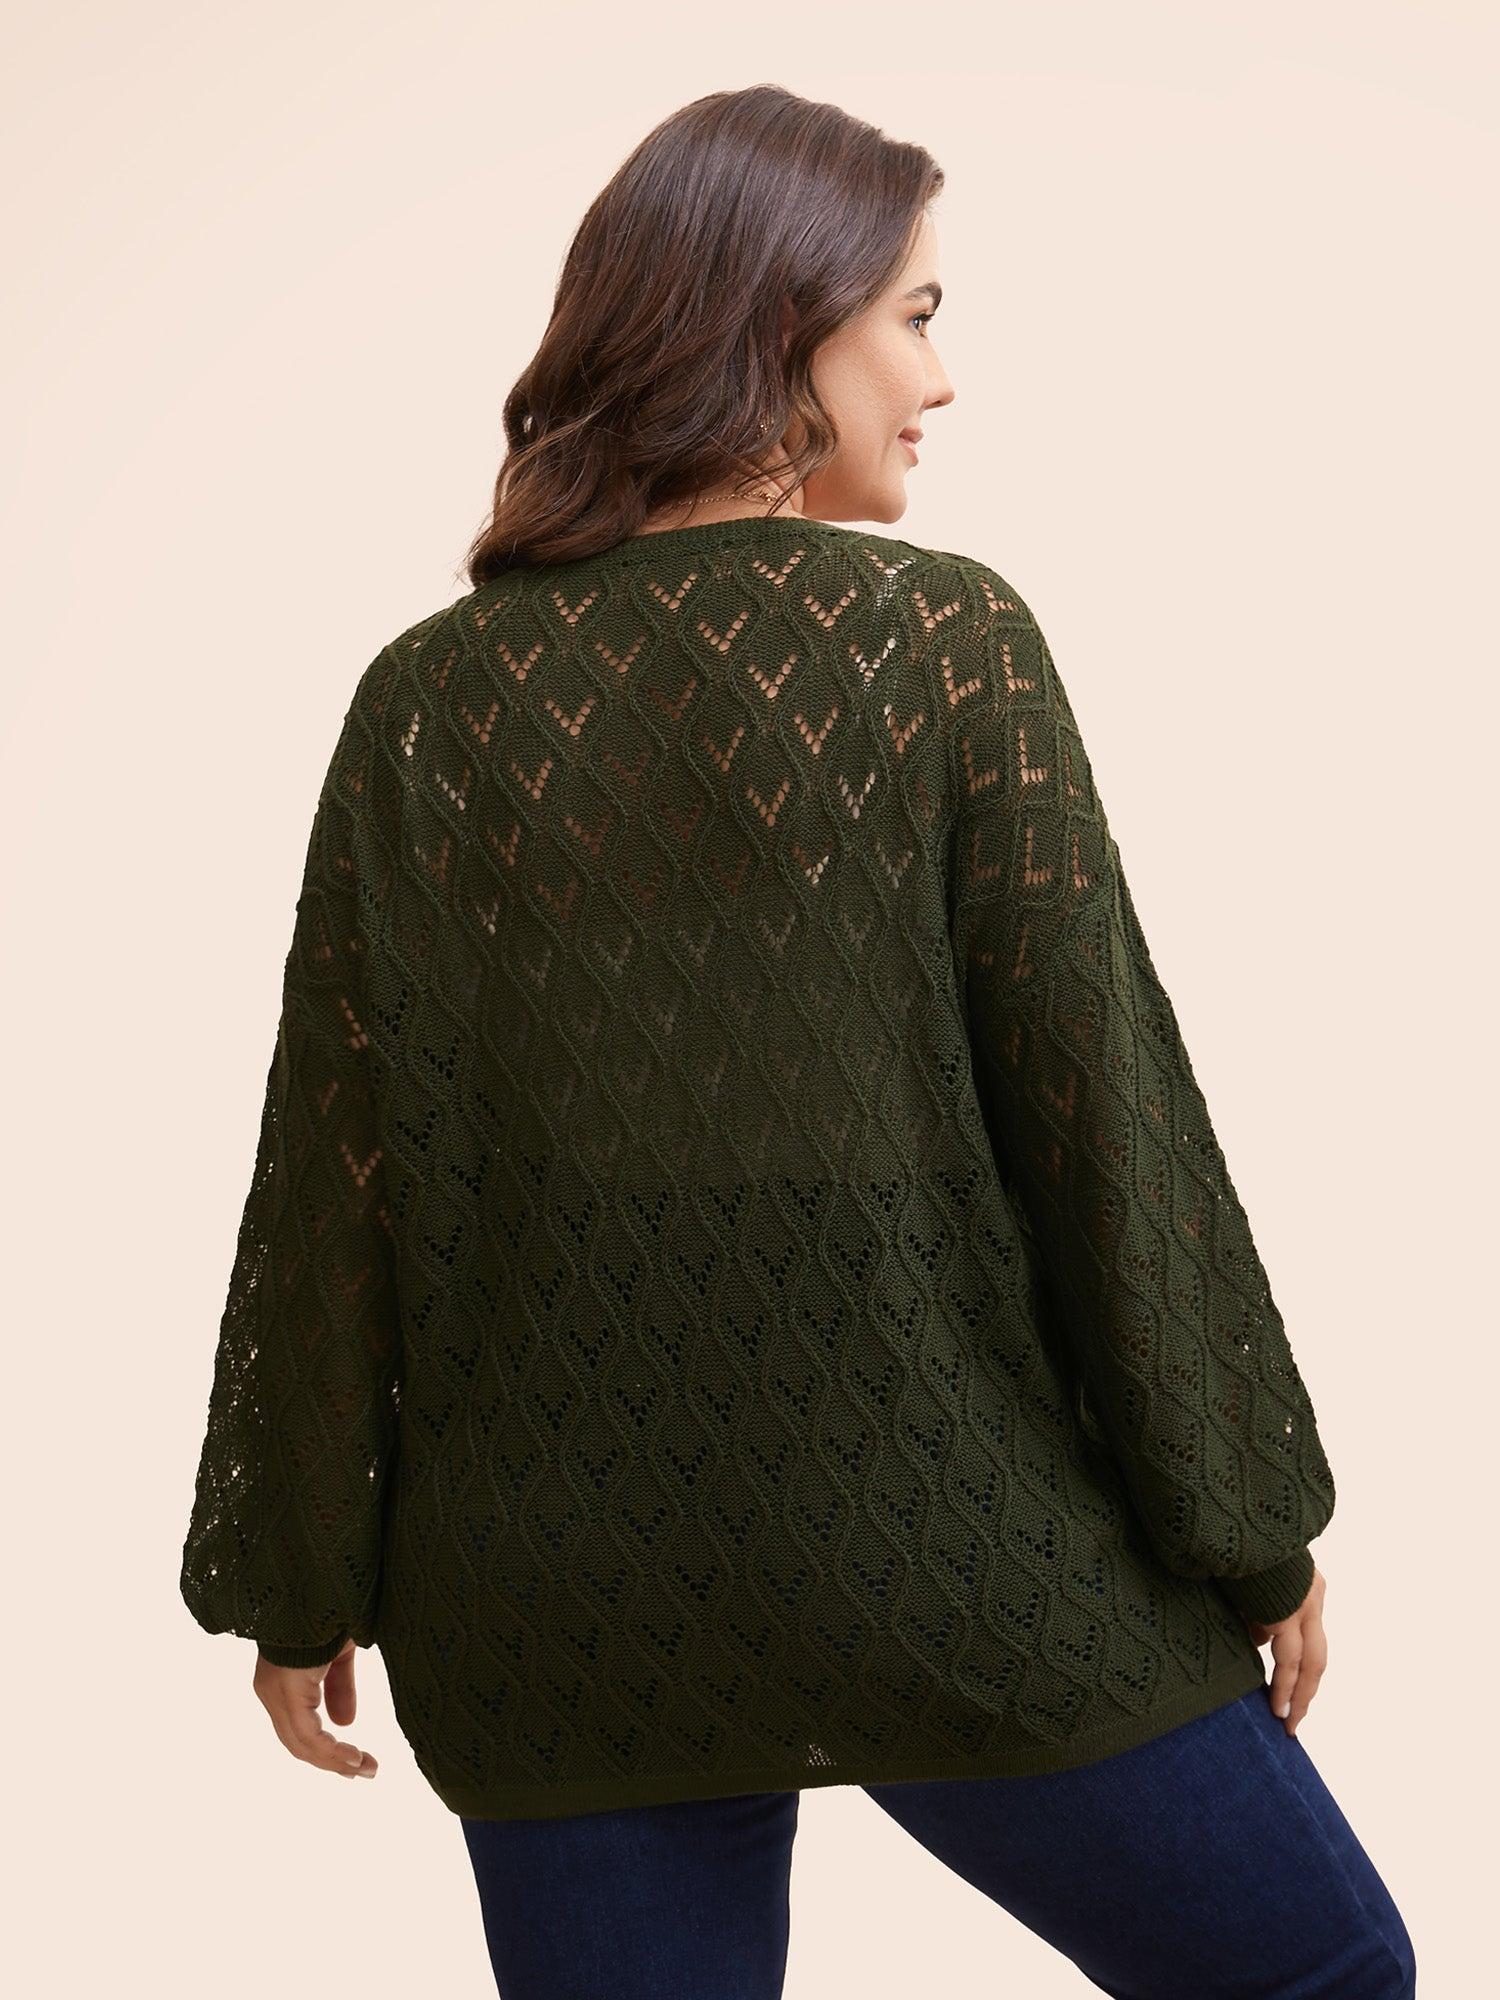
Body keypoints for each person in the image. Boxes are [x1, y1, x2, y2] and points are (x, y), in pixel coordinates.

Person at [179, 84, 1416, 1999]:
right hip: (948, 1552)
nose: (942, 376)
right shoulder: (946, 644)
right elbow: (1100, 1122)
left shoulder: (424, 704)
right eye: (915, 315)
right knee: (1323, 1974)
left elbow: (338, 1178)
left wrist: (300, 1578)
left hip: (557, 1606)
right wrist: (1250, 1530)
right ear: (782, 326)